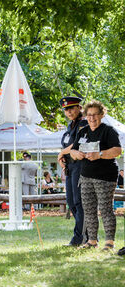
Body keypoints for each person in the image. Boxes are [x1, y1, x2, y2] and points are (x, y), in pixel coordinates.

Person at [70, 100, 122, 250]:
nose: (92, 118)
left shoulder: (108, 131)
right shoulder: (83, 131)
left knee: (106, 209)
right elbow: (72, 151)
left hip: (105, 177)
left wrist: (99, 154)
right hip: (86, 176)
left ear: (102, 115)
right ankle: (92, 241)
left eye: (95, 115)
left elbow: (117, 151)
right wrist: (76, 154)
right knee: (89, 209)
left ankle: (109, 242)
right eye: (89, 115)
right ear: (86, 116)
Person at [57, 96, 89, 247]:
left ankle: (79, 238)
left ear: (79, 108)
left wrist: (62, 152)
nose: (69, 112)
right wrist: (63, 158)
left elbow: (77, 144)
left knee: (79, 202)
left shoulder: (83, 123)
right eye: (66, 110)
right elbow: (67, 145)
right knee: (71, 202)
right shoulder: (70, 126)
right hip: (70, 167)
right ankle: (87, 235)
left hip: (81, 166)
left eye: (71, 108)